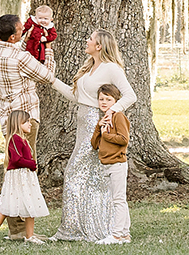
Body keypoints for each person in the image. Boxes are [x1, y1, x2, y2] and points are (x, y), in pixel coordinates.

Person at [51, 30, 137, 242]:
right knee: (89, 177)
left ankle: (97, 228)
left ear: (99, 45)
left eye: (90, 39)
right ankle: (80, 227)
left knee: (75, 173)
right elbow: (76, 96)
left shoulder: (111, 68)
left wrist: (110, 112)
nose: (86, 41)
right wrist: (51, 80)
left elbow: (130, 95)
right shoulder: (89, 66)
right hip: (82, 125)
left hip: (95, 126)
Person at [0, 12, 73, 141]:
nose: (25, 30)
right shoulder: (21, 58)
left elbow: (11, 56)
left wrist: (25, 42)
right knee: (28, 159)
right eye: (21, 30)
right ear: (12, 37)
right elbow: (48, 76)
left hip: (6, 117)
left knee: (12, 158)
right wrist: (48, 49)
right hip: (25, 118)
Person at [0, 118, 47, 243]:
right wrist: (31, 164)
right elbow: (16, 159)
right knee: (6, 206)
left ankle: (29, 236)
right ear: (18, 124)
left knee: (30, 205)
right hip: (17, 177)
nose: (30, 124)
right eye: (26, 122)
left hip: (25, 177)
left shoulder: (23, 139)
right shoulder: (15, 138)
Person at [91, 84, 130, 243]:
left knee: (118, 200)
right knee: (116, 199)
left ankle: (116, 235)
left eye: (108, 99)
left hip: (117, 164)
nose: (104, 102)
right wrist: (98, 128)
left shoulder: (118, 116)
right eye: (101, 99)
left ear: (116, 100)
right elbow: (94, 144)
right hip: (105, 164)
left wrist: (106, 135)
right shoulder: (103, 119)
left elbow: (123, 139)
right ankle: (125, 234)